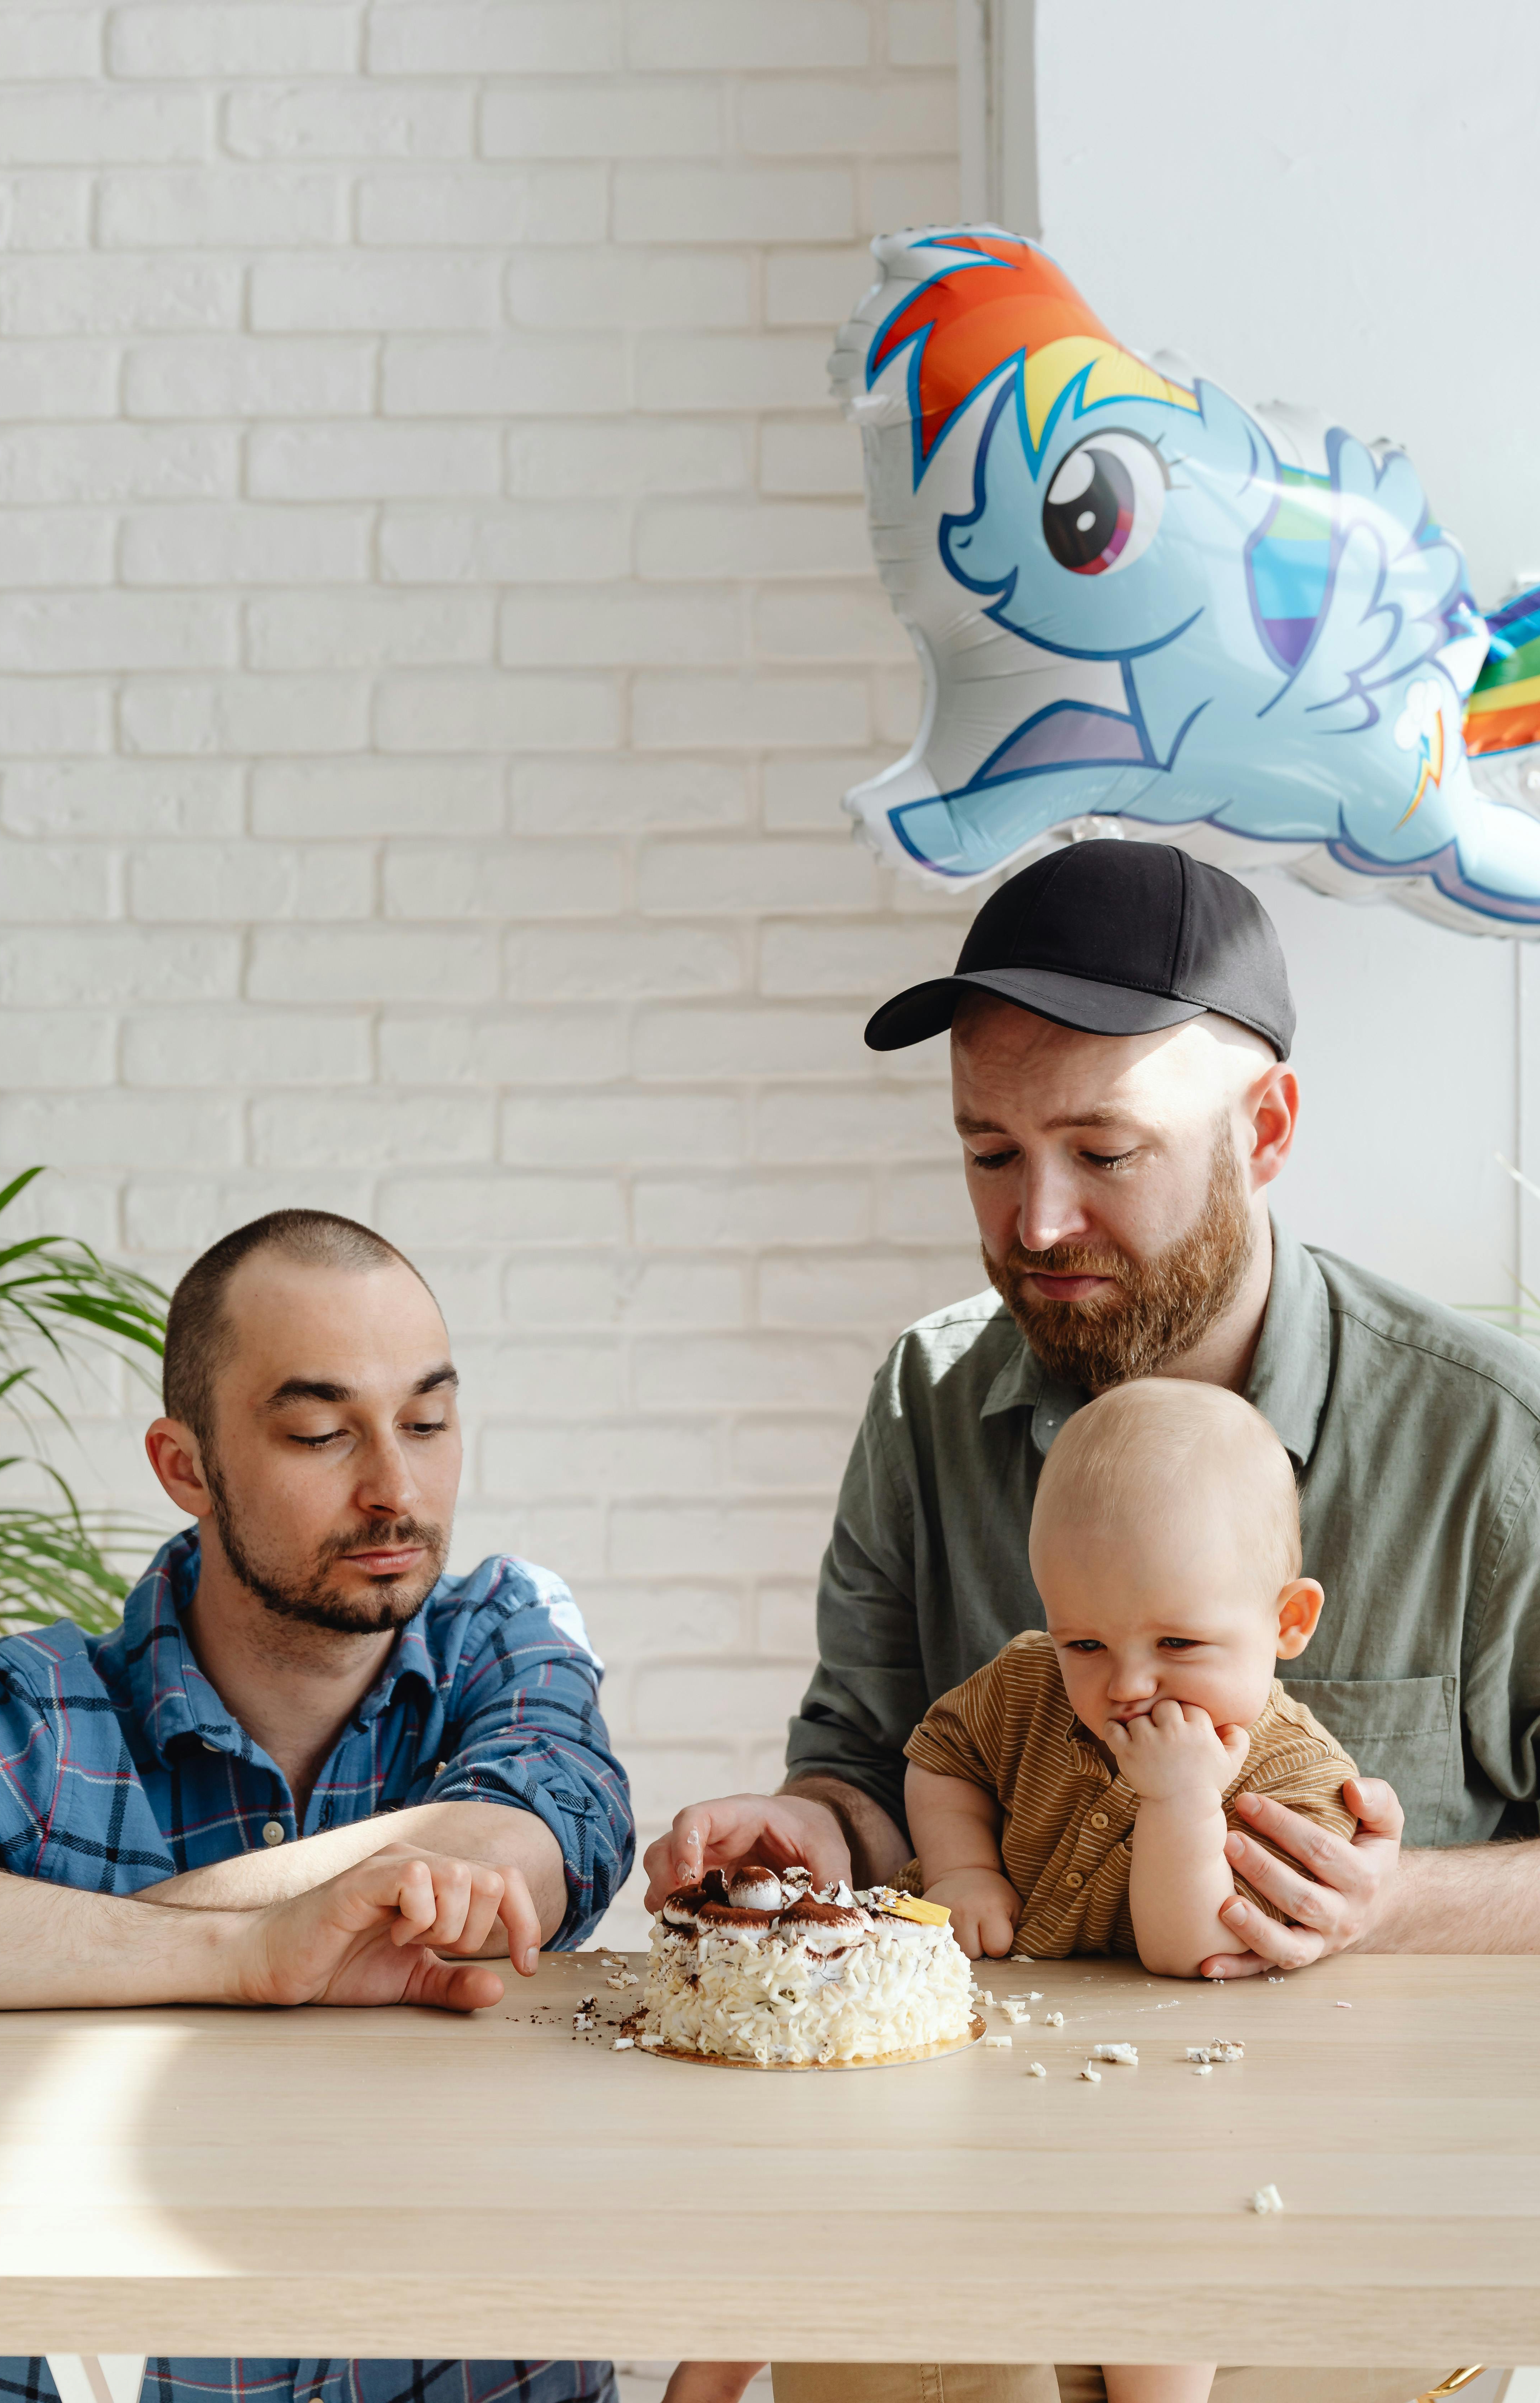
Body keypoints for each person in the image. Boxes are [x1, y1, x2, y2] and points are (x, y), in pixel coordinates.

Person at [645, 837, 1540, 2403]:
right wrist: (799, 1834)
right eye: (988, 1153)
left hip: (1337, 2217)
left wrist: (1393, 1904)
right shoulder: (930, 1397)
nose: (1034, 1223)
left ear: (1263, 1132)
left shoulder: (1489, 1443)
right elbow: (864, 1762)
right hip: (960, 2217)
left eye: (1102, 1153)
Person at [0, 1207, 634, 2403]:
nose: (395, 1488)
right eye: (322, 1434)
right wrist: (246, 1951)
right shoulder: (40, 1709)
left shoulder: (503, 1639)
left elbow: (531, 1844)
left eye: (427, 1422)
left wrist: (45, 1949)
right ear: (185, 1467)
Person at [905, 1376, 1356, 1979]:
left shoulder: (1301, 1786)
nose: (1129, 1686)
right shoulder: (1029, 1682)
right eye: (1086, 1643)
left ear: (1288, 1622)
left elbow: (1194, 1953)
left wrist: (1181, 1800)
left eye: (1178, 1643)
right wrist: (962, 1870)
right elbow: (943, 1756)